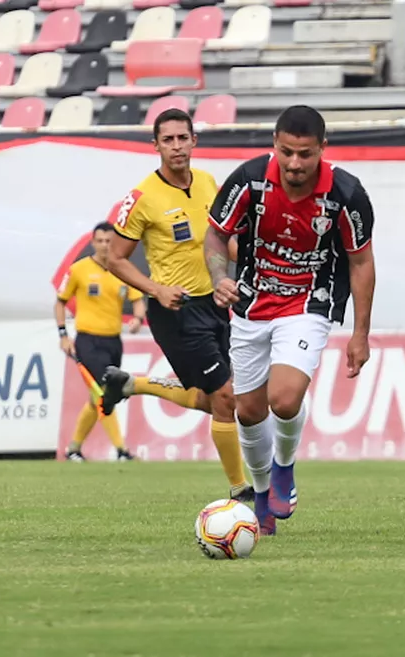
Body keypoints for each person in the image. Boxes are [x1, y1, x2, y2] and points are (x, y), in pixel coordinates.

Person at [203, 105, 376, 535]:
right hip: (251, 304)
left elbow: (361, 261)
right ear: (274, 145)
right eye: (286, 153)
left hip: (308, 304)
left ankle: (284, 467)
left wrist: (360, 333)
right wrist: (219, 276)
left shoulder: (346, 194)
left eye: (305, 154)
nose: (295, 163)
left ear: (322, 148)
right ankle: (261, 495)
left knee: (283, 399)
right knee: (247, 411)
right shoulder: (248, 180)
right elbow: (215, 235)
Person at [104, 108, 253, 502]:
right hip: (176, 311)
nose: (176, 147)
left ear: (194, 141)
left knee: (215, 399)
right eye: (167, 140)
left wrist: (252, 263)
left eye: (182, 138)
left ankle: (132, 383)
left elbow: (223, 241)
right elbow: (114, 258)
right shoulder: (141, 198)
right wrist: (155, 289)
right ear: (155, 146)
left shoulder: (207, 183)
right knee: (226, 398)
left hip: (216, 305)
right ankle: (241, 491)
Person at [56, 222, 143, 462]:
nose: (105, 246)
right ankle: (121, 450)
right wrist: (63, 334)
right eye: (100, 241)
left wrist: (137, 318)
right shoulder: (79, 270)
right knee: (104, 392)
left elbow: (138, 299)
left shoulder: (122, 270)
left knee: (98, 399)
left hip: (113, 341)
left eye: (109, 241)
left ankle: (73, 448)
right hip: (87, 341)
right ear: (94, 243)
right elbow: (60, 302)